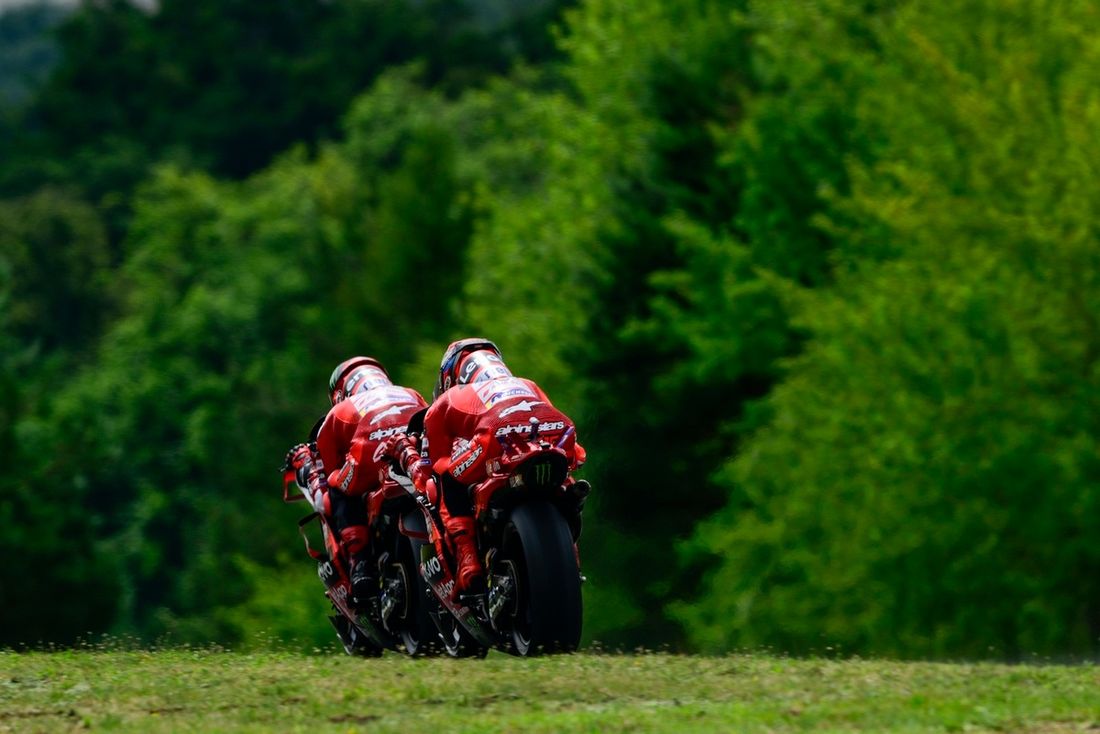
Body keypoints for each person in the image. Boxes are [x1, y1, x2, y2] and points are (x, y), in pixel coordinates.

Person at [382, 338, 586, 597]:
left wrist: (407, 454)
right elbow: (574, 448)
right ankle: (571, 553)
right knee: (566, 478)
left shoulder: (450, 398)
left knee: (445, 480)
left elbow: (436, 465)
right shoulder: (527, 384)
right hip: (556, 431)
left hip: (494, 439)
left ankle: (468, 559)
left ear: (450, 376)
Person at [286, 356, 427, 607]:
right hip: (409, 460)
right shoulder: (410, 393)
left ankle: (361, 564)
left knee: (335, 485)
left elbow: (328, 477)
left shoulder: (341, 409)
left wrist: (312, 472)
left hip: (368, 464)